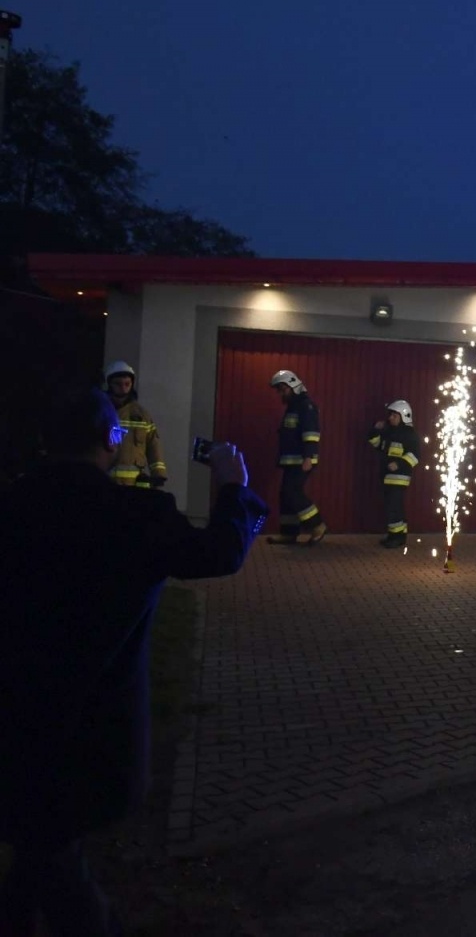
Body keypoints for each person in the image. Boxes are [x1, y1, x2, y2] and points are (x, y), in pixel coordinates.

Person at [0, 386, 266, 935]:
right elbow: (219, 553)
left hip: (13, 726)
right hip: (94, 743)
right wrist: (234, 488)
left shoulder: (13, 507)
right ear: (111, 439)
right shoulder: (136, 515)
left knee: (37, 846)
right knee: (61, 874)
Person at [267, 370, 327, 545]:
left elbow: (311, 433)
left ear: (293, 386)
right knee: (285, 495)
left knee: (293, 493)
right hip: (291, 461)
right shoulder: (293, 407)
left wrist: (308, 456)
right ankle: (289, 533)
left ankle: (318, 525)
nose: (280, 393)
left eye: (282, 389)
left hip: (302, 460)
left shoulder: (306, 407)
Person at [102, 361, 167, 490]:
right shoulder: (101, 411)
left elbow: (153, 443)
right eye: (118, 384)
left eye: (127, 384)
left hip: (135, 485)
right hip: (106, 482)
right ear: (109, 384)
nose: (123, 388)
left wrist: (158, 474)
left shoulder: (142, 415)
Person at [368, 399, 420, 549]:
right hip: (387, 476)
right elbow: (376, 444)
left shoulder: (410, 435)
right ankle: (397, 535)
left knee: (393, 506)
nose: (390, 418)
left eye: (394, 415)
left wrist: (399, 464)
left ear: (404, 416)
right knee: (394, 506)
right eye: (390, 415)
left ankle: (396, 537)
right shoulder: (389, 433)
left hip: (399, 478)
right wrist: (375, 430)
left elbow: (415, 456)